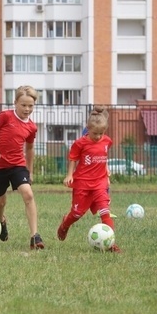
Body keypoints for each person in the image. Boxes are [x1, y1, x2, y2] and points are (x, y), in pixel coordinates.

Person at [0, 85, 45, 250]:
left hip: (17, 165)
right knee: (0, 202)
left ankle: (34, 236)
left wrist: (30, 170)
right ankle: (1, 221)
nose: (27, 109)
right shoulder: (5, 116)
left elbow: (30, 148)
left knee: (28, 194)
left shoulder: (32, 127)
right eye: (23, 105)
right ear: (15, 103)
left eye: (30, 106)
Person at [57, 106, 121, 252]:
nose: (98, 136)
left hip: (99, 183)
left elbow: (103, 157)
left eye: (101, 133)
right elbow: (73, 159)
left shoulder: (107, 141)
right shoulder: (80, 143)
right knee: (77, 214)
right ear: (87, 129)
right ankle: (65, 225)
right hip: (83, 183)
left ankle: (110, 244)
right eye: (95, 133)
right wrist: (69, 175)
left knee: (105, 211)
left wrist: (106, 170)